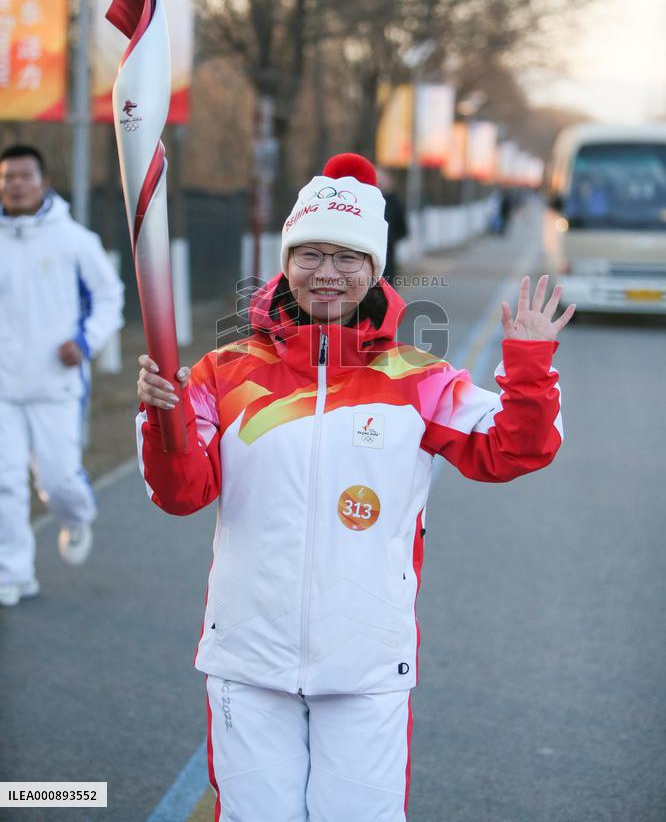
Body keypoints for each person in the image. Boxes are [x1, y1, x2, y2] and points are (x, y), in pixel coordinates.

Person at [136, 153, 574, 822]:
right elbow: (181, 493)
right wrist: (160, 417)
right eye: (310, 253)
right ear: (286, 261)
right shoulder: (225, 373)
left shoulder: (418, 378)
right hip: (249, 660)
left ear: (374, 269)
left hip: (367, 662)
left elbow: (514, 450)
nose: (328, 272)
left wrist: (529, 368)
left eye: (349, 257)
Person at [0, 143, 124, 607]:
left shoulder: (73, 240)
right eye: (7, 176)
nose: (15, 184)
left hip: (55, 383)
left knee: (57, 482)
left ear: (42, 181)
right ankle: (14, 572)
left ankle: (75, 516)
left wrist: (86, 341)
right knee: (5, 480)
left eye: (23, 176)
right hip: (3, 387)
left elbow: (109, 297)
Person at [376, 168, 408, 285]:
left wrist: (388, 239)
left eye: (382, 179)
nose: (379, 182)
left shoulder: (395, 202)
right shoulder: (366, 201)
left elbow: (403, 230)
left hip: (387, 258)